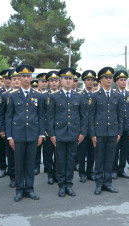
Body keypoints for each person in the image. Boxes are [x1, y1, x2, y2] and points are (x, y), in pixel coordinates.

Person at [46, 67, 87, 197]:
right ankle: (61, 185)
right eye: (66, 78)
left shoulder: (79, 97)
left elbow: (84, 117)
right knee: (60, 161)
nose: (68, 81)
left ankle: (69, 185)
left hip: (74, 134)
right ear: (61, 81)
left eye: (71, 79)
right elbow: (50, 117)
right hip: (59, 134)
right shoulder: (54, 97)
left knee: (70, 161)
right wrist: (52, 135)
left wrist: (83, 133)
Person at [6, 64, 44, 202]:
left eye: (28, 76)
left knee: (30, 164)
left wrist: (41, 135)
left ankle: (29, 188)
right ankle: (19, 190)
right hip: (18, 135)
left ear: (31, 77)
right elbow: (9, 117)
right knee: (19, 164)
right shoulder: (13, 96)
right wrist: (10, 136)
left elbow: (41, 117)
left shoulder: (38, 96)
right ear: (19, 78)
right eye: (23, 76)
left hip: (33, 135)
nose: (26, 79)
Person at [89, 67, 123, 195]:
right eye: (106, 78)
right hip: (99, 133)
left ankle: (108, 183)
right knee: (99, 160)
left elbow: (120, 116)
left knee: (110, 160)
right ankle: (99, 184)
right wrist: (92, 134)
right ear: (101, 80)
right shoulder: (95, 96)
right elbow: (91, 116)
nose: (108, 80)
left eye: (110, 78)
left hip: (113, 133)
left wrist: (119, 132)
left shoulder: (117, 95)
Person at [0, 69, 20, 188]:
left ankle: (22, 176)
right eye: (14, 79)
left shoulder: (26, 94)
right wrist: (2, 129)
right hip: (10, 130)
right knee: (11, 155)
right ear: (10, 81)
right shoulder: (5, 95)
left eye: (18, 78)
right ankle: (12, 177)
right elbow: (1, 114)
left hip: (23, 130)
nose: (16, 81)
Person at [112, 70, 129, 180]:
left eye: (125, 80)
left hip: (127, 128)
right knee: (115, 150)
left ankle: (121, 169)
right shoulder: (114, 94)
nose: (124, 82)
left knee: (125, 150)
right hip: (116, 127)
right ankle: (114, 170)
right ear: (117, 82)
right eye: (121, 80)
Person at [41, 71, 60, 183]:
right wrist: (43, 129)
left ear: (59, 82)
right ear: (48, 83)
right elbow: (41, 114)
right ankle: (50, 175)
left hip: (60, 130)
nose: (54, 83)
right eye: (51, 81)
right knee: (48, 154)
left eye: (56, 80)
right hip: (48, 131)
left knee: (59, 154)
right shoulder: (43, 96)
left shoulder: (62, 94)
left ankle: (57, 174)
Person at [78, 70, 96, 182]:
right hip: (83, 129)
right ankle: (82, 173)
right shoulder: (80, 96)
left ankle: (90, 172)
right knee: (82, 153)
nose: (90, 82)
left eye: (92, 80)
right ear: (84, 82)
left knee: (92, 153)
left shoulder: (97, 96)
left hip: (94, 130)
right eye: (88, 80)